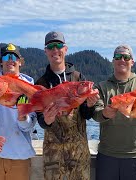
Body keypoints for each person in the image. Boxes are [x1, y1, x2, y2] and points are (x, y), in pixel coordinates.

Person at [91, 45, 136, 180]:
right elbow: (95, 114)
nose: (122, 60)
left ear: (132, 61)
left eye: (126, 57)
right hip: (107, 154)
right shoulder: (101, 87)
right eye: (118, 57)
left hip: (135, 155)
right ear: (113, 61)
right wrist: (104, 113)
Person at [36, 31, 99, 180]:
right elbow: (40, 120)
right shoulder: (41, 83)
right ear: (45, 51)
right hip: (53, 154)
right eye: (50, 47)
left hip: (78, 151)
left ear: (66, 49)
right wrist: (47, 120)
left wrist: (90, 105)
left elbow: (86, 115)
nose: (55, 50)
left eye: (58, 45)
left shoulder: (78, 78)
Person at [0, 43, 37, 180]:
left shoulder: (30, 88)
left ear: (20, 62)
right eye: (6, 57)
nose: (10, 60)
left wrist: (22, 114)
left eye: (14, 57)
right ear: (1, 62)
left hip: (20, 156)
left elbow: (28, 126)